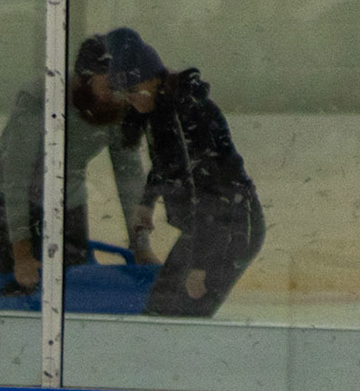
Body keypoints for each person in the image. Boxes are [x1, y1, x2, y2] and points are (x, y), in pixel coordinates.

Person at [96, 28, 265, 319]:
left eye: (136, 90)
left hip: (230, 229)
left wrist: (201, 265)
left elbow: (212, 193)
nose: (132, 100)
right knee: (158, 310)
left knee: (185, 316)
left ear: (156, 78)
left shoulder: (188, 114)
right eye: (126, 93)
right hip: (204, 228)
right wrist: (147, 203)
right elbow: (166, 165)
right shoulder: (159, 112)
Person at [0, 34, 157, 294]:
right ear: (85, 78)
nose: (118, 94)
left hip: (68, 192)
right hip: (13, 192)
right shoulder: (40, 96)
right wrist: (20, 254)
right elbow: (14, 175)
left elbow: (129, 174)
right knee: (25, 283)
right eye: (111, 84)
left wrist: (141, 246)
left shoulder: (119, 105)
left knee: (73, 281)